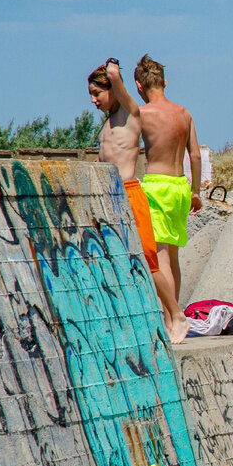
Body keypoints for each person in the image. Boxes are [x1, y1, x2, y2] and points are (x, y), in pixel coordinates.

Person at [88, 59, 189, 344]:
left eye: (98, 93)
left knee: (150, 259)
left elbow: (115, 81)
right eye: (91, 95)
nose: (94, 100)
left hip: (131, 192)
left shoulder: (132, 113)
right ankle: (154, 317)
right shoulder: (109, 124)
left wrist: (112, 71)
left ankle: (176, 315)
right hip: (110, 198)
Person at [133, 54, 202, 300]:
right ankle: (176, 312)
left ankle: (171, 317)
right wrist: (196, 192)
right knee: (173, 256)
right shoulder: (184, 113)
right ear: (165, 82)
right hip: (180, 187)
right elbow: (195, 156)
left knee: (159, 254)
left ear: (139, 85)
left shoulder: (142, 113)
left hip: (157, 187)